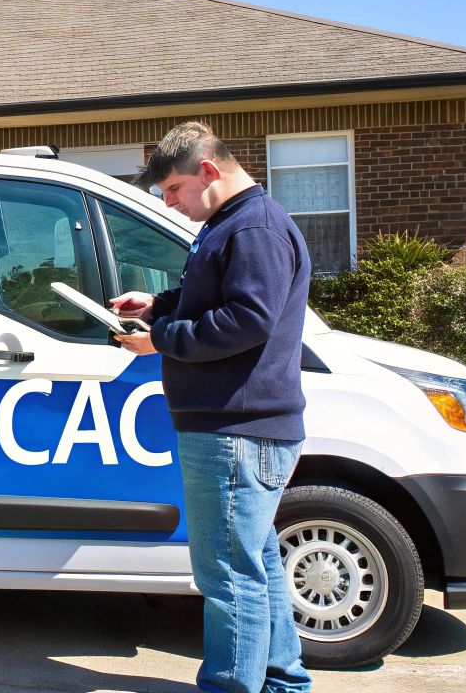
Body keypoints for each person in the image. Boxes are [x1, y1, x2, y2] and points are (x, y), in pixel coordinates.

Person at [109, 121, 313, 693]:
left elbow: (248, 320)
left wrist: (163, 339)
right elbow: (219, 297)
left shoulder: (254, 229)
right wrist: (159, 304)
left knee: (227, 575)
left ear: (208, 171)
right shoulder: (231, 224)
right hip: (239, 425)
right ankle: (282, 679)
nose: (168, 201)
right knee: (257, 562)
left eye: (173, 189)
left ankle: (232, 686)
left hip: (236, 428)